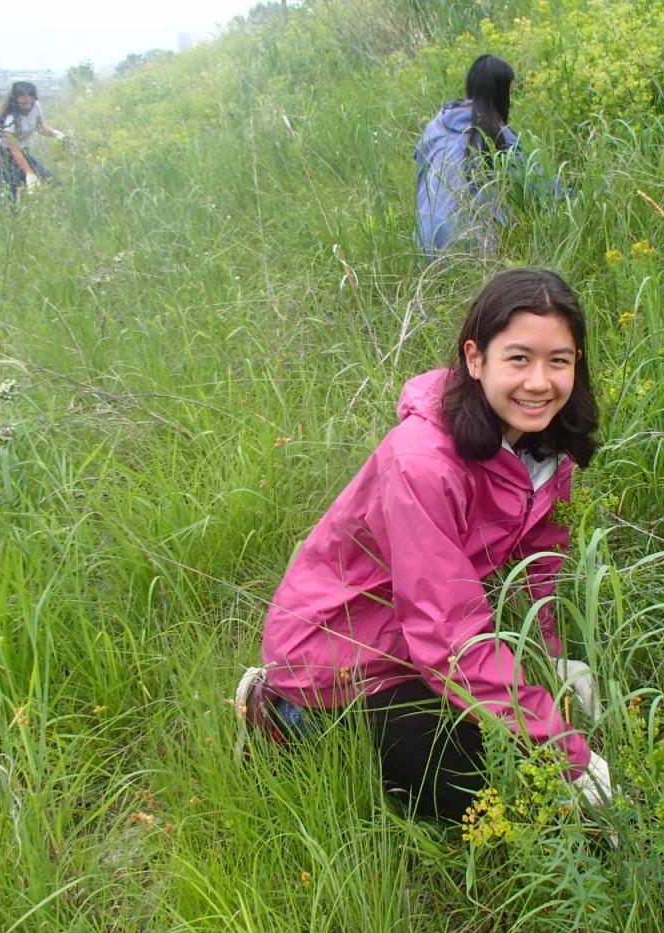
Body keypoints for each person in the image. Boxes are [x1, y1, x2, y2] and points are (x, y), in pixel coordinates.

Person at [237, 268, 612, 820]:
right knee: (484, 788)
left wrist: (549, 660)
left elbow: (539, 560)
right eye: (518, 358)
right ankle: (285, 716)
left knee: (517, 756)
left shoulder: (543, 445)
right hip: (340, 649)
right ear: (475, 358)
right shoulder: (422, 461)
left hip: (413, 633)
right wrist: (570, 757)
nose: (539, 382)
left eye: (558, 360)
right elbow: (449, 637)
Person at [415, 54, 537, 255]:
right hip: (470, 250)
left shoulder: (436, 125)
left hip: (423, 243)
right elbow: (536, 187)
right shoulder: (499, 136)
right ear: (501, 95)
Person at [0, 81, 65, 199]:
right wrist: (29, 173)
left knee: (52, 182)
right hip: (0, 151)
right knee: (9, 190)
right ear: (15, 102)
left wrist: (57, 134)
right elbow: (15, 151)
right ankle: (11, 215)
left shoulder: (36, 106)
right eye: (23, 104)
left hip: (18, 149)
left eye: (30, 102)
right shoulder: (9, 120)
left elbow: (39, 126)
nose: (27, 107)